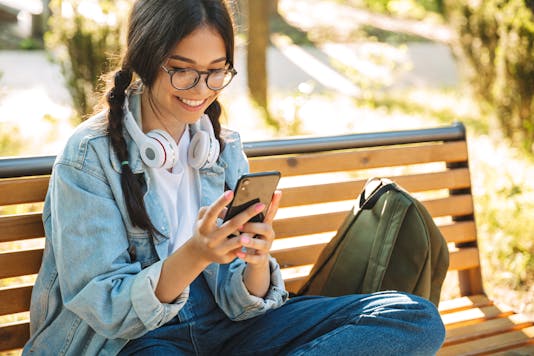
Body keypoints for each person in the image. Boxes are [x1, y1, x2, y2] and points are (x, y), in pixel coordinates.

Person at [23, 0, 446, 355]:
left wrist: (257, 259)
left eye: (216, 70)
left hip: (227, 328)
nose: (201, 88)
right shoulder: (88, 156)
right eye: (182, 69)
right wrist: (197, 254)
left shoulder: (220, 147)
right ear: (146, 59)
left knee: (413, 317)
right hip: (138, 339)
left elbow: (246, 303)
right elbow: (107, 309)